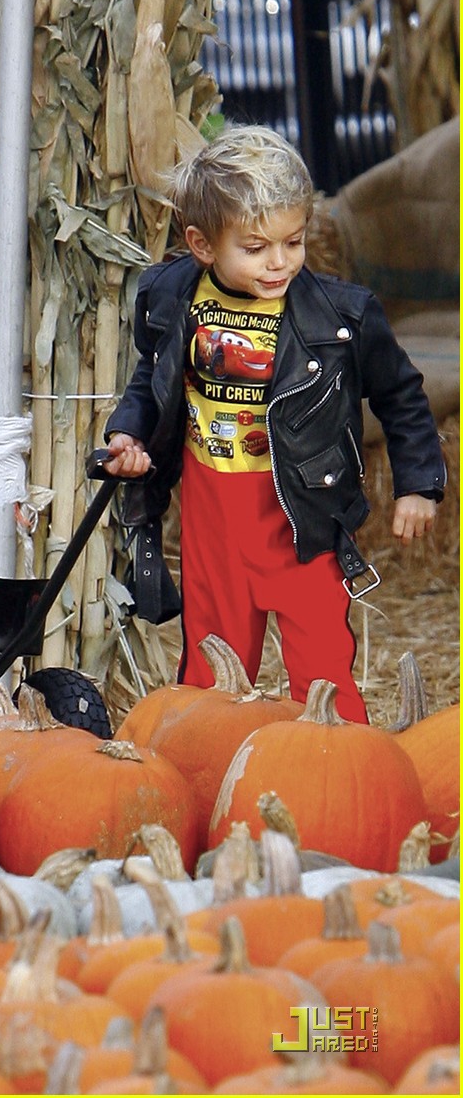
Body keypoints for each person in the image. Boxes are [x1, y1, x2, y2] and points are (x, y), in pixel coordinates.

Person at [104, 125, 446, 723]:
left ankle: (334, 767)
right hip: (213, 512)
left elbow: (402, 394)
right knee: (214, 667)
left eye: (294, 241)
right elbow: (151, 378)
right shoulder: (170, 297)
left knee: (320, 665)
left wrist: (419, 483)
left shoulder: (341, 315)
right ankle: (208, 768)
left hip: (301, 515)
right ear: (202, 245)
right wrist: (127, 434)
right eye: (257, 247)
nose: (280, 262)